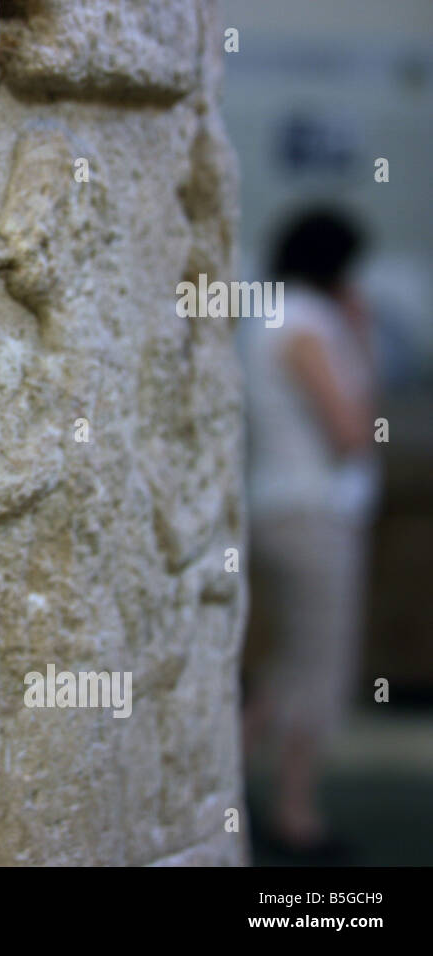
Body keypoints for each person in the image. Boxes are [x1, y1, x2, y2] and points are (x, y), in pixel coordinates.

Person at [241, 208, 380, 859]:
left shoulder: (270, 316)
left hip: (278, 504)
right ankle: (295, 812)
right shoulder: (311, 324)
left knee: (293, 663)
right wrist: (362, 338)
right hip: (313, 512)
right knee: (320, 665)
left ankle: (225, 782)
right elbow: (350, 432)